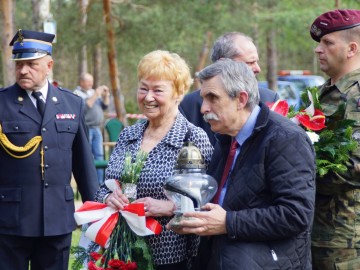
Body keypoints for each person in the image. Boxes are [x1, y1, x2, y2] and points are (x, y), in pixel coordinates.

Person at [169, 59, 316, 270]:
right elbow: (227, 203)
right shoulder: (226, 137)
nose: (203, 108)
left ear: (241, 99)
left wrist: (228, 222)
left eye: (213, 98)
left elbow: (296, 214)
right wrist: (191, 214)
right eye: (203, 99)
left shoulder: (285, 138)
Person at [94, 50, 213, 270]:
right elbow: (103, 187)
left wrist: (169, 207)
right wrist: (109, 197)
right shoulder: (128, 135)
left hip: (168, 255)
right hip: (120, 252)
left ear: (178, 93)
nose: (148, 97)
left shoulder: (192, 138)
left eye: (157, 90)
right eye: (143, 88)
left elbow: (206, 201)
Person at [0, 29, 98, 269]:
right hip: (11, 221)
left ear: (49, 65)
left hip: (57, 220)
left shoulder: (71, 103)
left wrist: (96, 213)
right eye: (19, 64)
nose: (23, 70)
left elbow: (83, 165)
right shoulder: (2, 103)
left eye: (31, 64)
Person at [309, 9, 360, 269]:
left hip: (345, 238)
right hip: (314, 228)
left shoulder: (356, 95)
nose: (319, 50)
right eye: (319, 43)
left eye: (328, 43)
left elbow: (355, 167)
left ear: (351, 49)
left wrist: (297, 178)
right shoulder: (321, 93)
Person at [179, 32, 279, 146]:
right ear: (223, 63)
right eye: (250, 63)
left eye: (256, 61)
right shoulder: (188, 107)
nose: (258, 69)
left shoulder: (269, 99)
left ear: (242, 99)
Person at [74, 73, 110, 185]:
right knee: (87, 155)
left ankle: (100, 183)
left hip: (97, 129)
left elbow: (105, 106)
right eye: (88, 81)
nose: (91, 83)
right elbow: (85, 108)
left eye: (92, 81)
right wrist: (96, 94)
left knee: (99, 155)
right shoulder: (77, 94)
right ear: (81, 82)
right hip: (86, 128)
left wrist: (106, 95)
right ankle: (89, 182)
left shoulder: (92, 93)